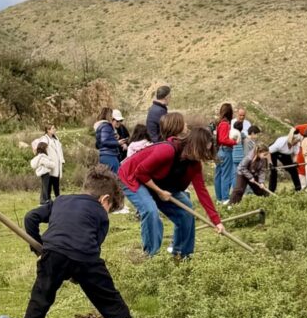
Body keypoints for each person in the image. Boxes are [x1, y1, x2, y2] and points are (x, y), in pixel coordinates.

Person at [19, 166, 143, 318]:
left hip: (53, 254)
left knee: (41, 296)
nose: (108, 212)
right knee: (109, 301)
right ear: (105, 200)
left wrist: (40, 249)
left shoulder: (61, 200)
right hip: (86, 258)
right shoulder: (101, 216)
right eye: (110, 208)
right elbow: (92, 247)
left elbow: (30, 218)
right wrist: (79, 273)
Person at [118, 114, 225, 258]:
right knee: (150, 211)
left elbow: (202, 192)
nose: (204, 154)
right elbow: (141, 173)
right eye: (204, 150)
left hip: (158, 182)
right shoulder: (168, 150)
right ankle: (151, 255)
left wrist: (216, 221)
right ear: (195, 145)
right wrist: (159, 192)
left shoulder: (194, 164)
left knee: (186, 212)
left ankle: (182, 254)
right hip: (132, 176)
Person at [31, 124, 65, 204]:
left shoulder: (56, 139)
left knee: (56, 183)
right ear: (48, 130)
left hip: (57, 164)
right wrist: (42, 157)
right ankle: (47, 201)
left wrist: (62, 160)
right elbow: (39, 147)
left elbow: (60, 151)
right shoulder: (44, 139)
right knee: (48, 185)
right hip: (49, 164)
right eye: (53, 128)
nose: (54, 129)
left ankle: (58, 200)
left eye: (54, 128)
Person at [214, 103, 238, 203]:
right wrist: (234, 142)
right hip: (226, 151)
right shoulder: (225, 124)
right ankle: (225, 198)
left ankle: (219, 198)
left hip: (220, 151)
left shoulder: (219, 123)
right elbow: (223, 139)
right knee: (225, 175)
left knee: (218, 174)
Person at [94, 107, 125, 172]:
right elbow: (104, 141)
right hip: (110, 156)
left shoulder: (100, 126)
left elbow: (98, 144)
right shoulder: (106, 126)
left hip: (103, 156)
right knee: (115, 178)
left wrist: (114, 138)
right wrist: (117, 143)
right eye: (111, 115)